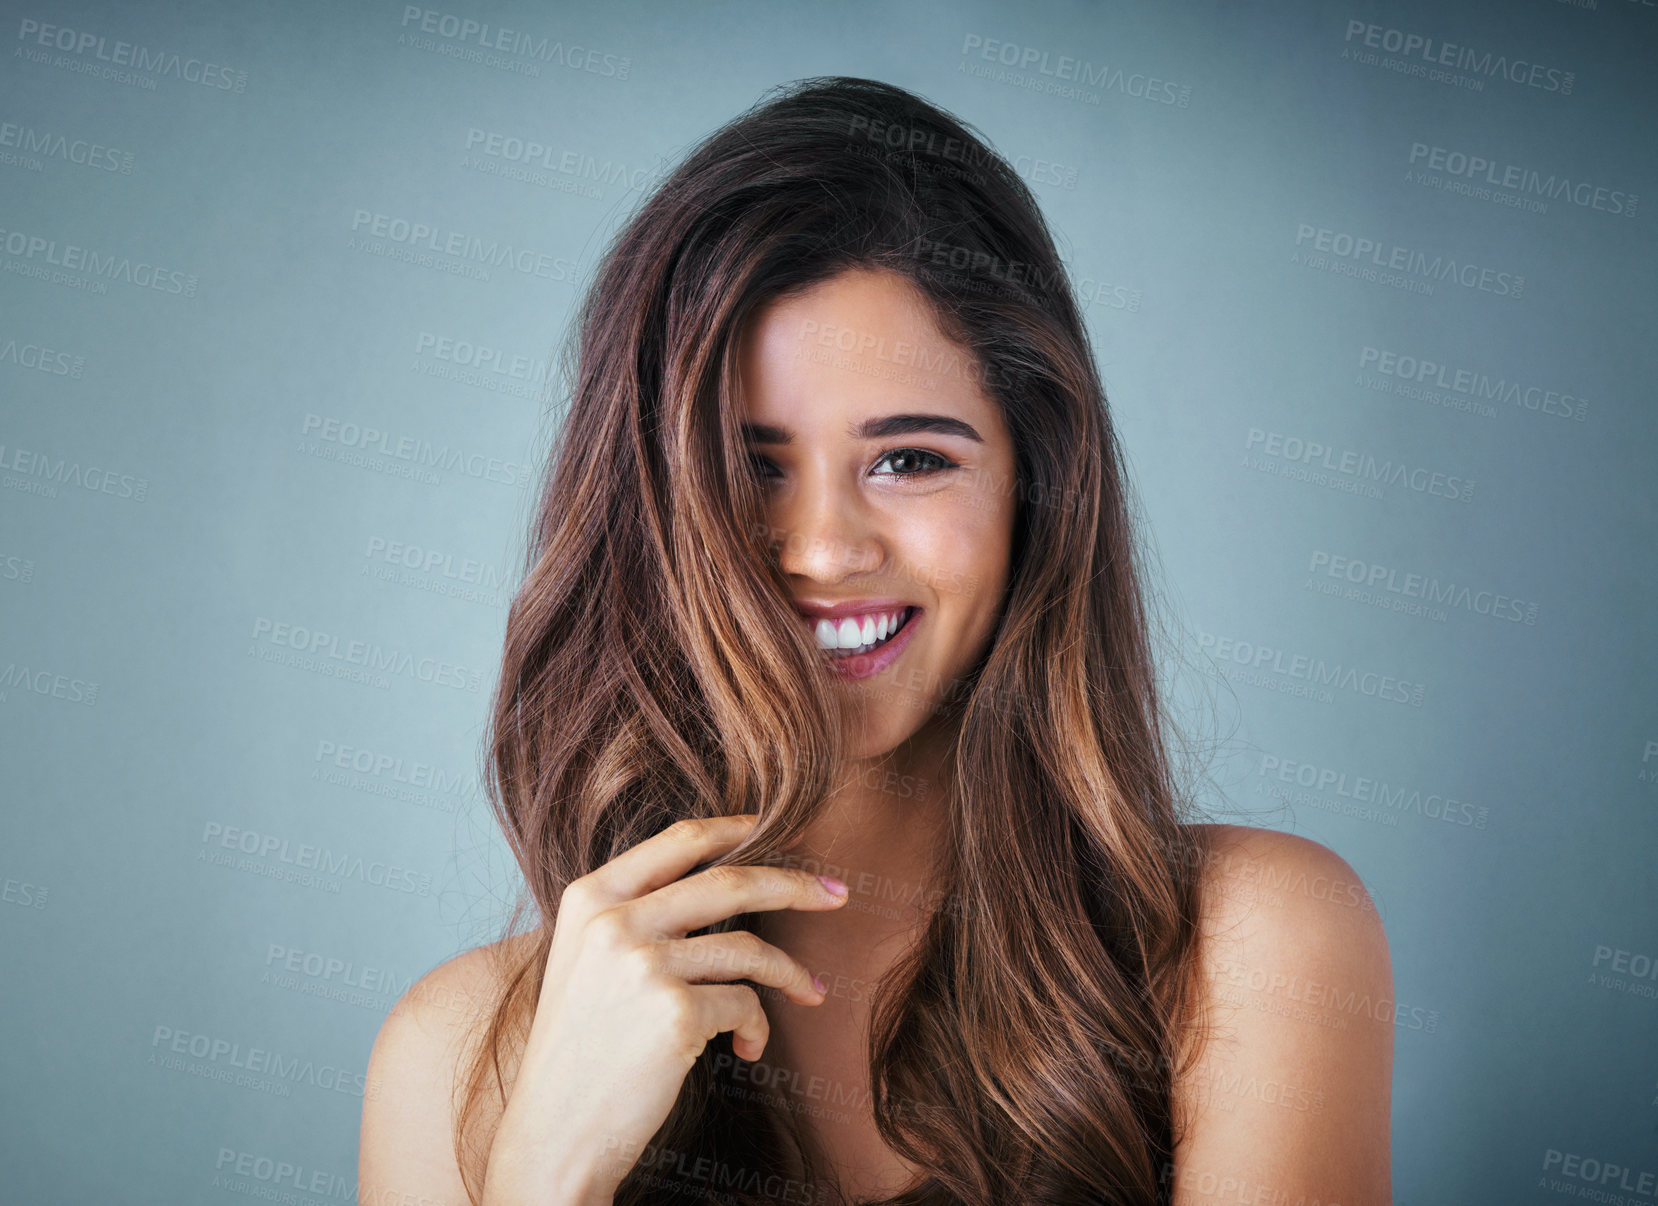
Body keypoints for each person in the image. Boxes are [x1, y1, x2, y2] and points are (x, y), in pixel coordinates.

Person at [357, 76, 1393, 1206]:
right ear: (646, 514)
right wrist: (547, 1175)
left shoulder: (1250, 948)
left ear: (1031, 493)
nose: (821, 550)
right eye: (747, 468)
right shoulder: (457, 1059)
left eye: (908, 459)